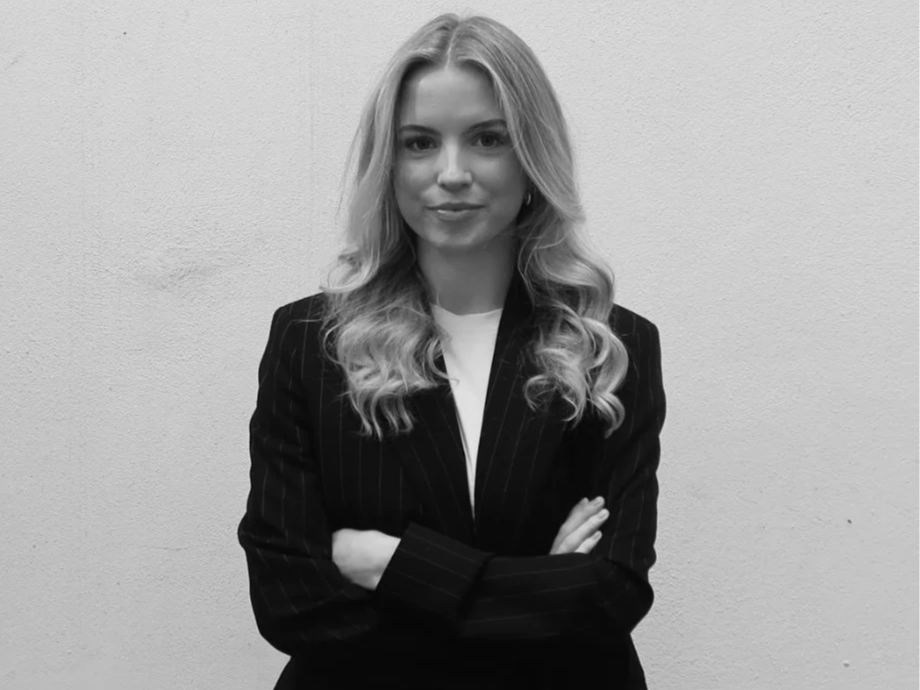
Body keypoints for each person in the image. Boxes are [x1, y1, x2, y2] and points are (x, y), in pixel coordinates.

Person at [238, 13, 666, 690]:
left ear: (532, 154)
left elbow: (611, 595)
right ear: (388, 163)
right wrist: (535, 591)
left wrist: (390, 564)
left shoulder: (609, 347)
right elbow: (290, 601)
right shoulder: (310, 343)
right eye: (419, 143)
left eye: (488, 138)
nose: (453, 172)